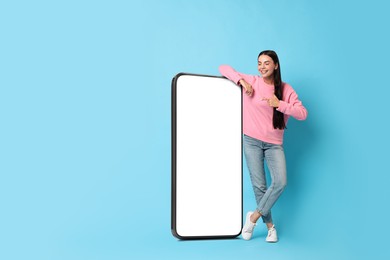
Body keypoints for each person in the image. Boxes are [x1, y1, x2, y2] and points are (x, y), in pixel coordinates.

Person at [219, 50, 308, 242]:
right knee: (259, 186)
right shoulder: (251, 81)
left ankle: (252, 218)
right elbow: (223, 68)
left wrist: (280, 104)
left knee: (280, 182)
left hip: (274, 144)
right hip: (251, 141)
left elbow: (302, 113)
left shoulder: (285, 89)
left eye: (266, 63)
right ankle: (270, 227)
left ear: (276, 65)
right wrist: (241, 82)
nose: (262, 67)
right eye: (259, 63)